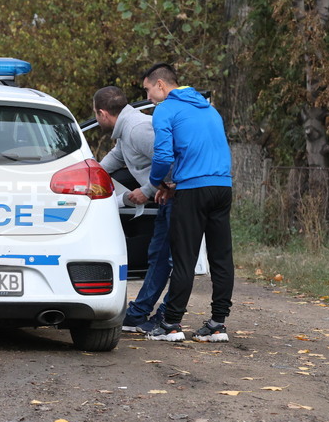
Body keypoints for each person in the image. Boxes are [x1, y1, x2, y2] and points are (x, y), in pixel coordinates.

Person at [141, 63, 233, 343]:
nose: (148, 97)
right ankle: (217, 325)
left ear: (160, 84)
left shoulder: (165, 110)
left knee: (184, 258)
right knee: (221, 257)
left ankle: (171, 324)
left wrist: (157, 183)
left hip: (193, 191)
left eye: (147, 90)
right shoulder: (209, 109)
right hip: (222, 186)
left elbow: (163, 156)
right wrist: (174, 186)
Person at [92, 85, 171, 333]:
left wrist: (146, 190)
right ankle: (139, 313)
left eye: (95, 114)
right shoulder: (126, 130)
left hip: (176, 197)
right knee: (159, 256)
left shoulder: (138, 129)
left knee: (173, 259)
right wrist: (89, 175)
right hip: (165, 197)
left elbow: (170, 162)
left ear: (103, 113)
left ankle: (167, 316)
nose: (97, 119)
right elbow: (116, 157)